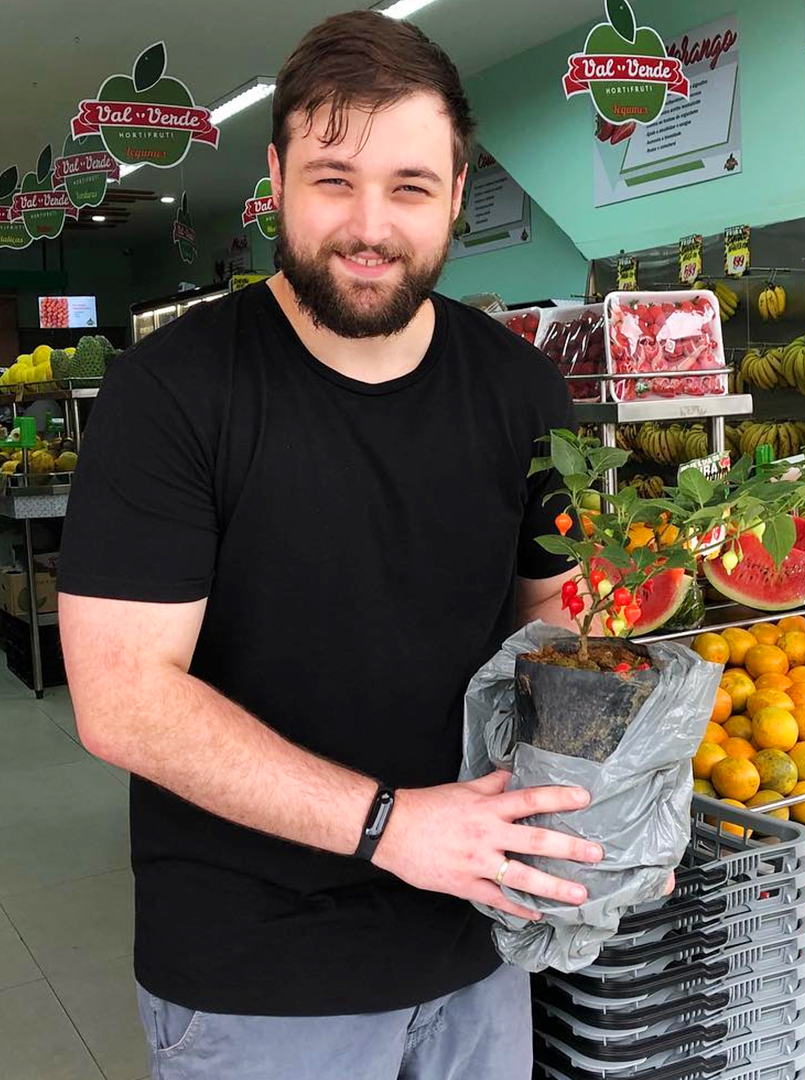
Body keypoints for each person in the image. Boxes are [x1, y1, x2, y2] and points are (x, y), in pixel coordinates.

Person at [58, 12, 603, 1079]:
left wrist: (609, 808)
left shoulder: (522, 391)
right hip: (256, 978)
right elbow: (121, 696)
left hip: (475, 944)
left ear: (454, 194)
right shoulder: (173, 394)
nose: (369, 223)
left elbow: (549, 614)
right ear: (274, 179)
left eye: (408, 186)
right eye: (332, 178)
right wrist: (392, 827)